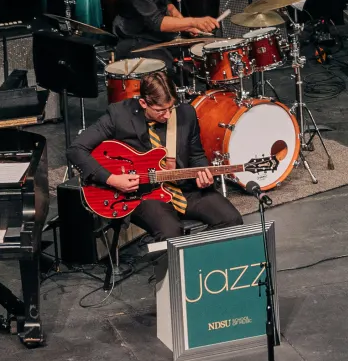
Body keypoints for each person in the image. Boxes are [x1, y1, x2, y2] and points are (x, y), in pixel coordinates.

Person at [67, 72, 244, 240]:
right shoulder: (119, 115)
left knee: (232, 220)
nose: (167, 115)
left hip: (184, 189)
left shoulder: (185, 113)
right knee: (172, 234)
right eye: (161, 110)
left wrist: (204, 173)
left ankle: (201, 262)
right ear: (143, 103)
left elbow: (196, 155)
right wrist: (112, 179)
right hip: (145, 196)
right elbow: (76, 149)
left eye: (171, 107)